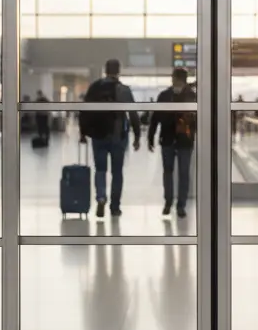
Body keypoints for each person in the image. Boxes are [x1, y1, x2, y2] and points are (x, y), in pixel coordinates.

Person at [79, 58, 141, 218]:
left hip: (98, 135)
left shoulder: (95, 87)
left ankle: (100, 197)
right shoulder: (124, 90)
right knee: (117, 172)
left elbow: (84, 110)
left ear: (105, 70)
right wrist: (137, 135)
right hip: (117, 136)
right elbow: (133, 114)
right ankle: (115, 206)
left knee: (100, 169)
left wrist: (82, 133)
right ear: (118, 70)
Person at [147, 68, 196, 219]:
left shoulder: (192, 96)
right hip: (168, 139)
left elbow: (199, 118)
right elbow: (155, 118)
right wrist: (151, 136)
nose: (175, 82)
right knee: (168, 172)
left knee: (183, 173)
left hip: (184, 140)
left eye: (177, 79)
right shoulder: (164, 96)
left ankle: (180, 205)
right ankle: (168, 202)